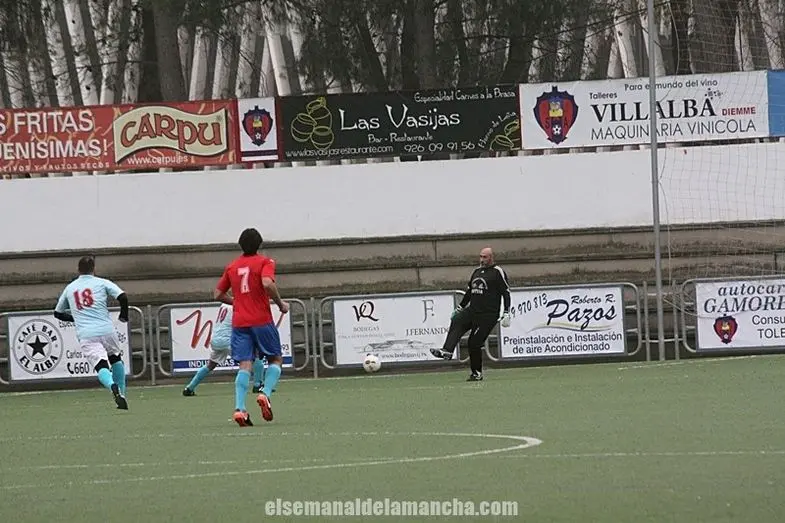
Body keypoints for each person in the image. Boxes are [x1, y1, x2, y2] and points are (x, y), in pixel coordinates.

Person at [214, 228, 288, 427]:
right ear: (259, 244)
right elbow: (267, 283)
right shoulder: (265, 262)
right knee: (275, 359)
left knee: (244, 365)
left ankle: (240, 409)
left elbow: (217, 294)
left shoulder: (232, 266)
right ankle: (265, 394)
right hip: (261, 320)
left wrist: (236, 302)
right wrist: (280, 304)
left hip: (240, 323)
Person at [53, 255, 129, 409]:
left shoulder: (70, 288)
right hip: (107, 329)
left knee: (101, 365)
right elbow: (123, 297)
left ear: (78, 270)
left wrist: (75, 318)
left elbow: (58, 313)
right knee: (115, 358)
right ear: (94, 268)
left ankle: (112, 386)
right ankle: (121, 394)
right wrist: (124, 315)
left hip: (86, 333)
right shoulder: (102, 282)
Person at [430, 247, 511, 381]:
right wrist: (460, 307)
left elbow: (506, 293)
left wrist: (507, 312)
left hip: (488, 315)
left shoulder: (498, 272)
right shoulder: (476, 271)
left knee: (474, 342)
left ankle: (476, 373)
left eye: (485, 257)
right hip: (473, 310)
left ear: (491, 257)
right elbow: (469, 292)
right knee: (457, 319)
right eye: (480, 256)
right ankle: (447, 351)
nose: (482, 260)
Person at [181, 303, 271, 398]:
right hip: (227, 340)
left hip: (216, 339)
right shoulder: (238, 305)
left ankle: (189, 388)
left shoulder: (224, 304)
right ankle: (257, 385)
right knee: (254, 356)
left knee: (211, 364)